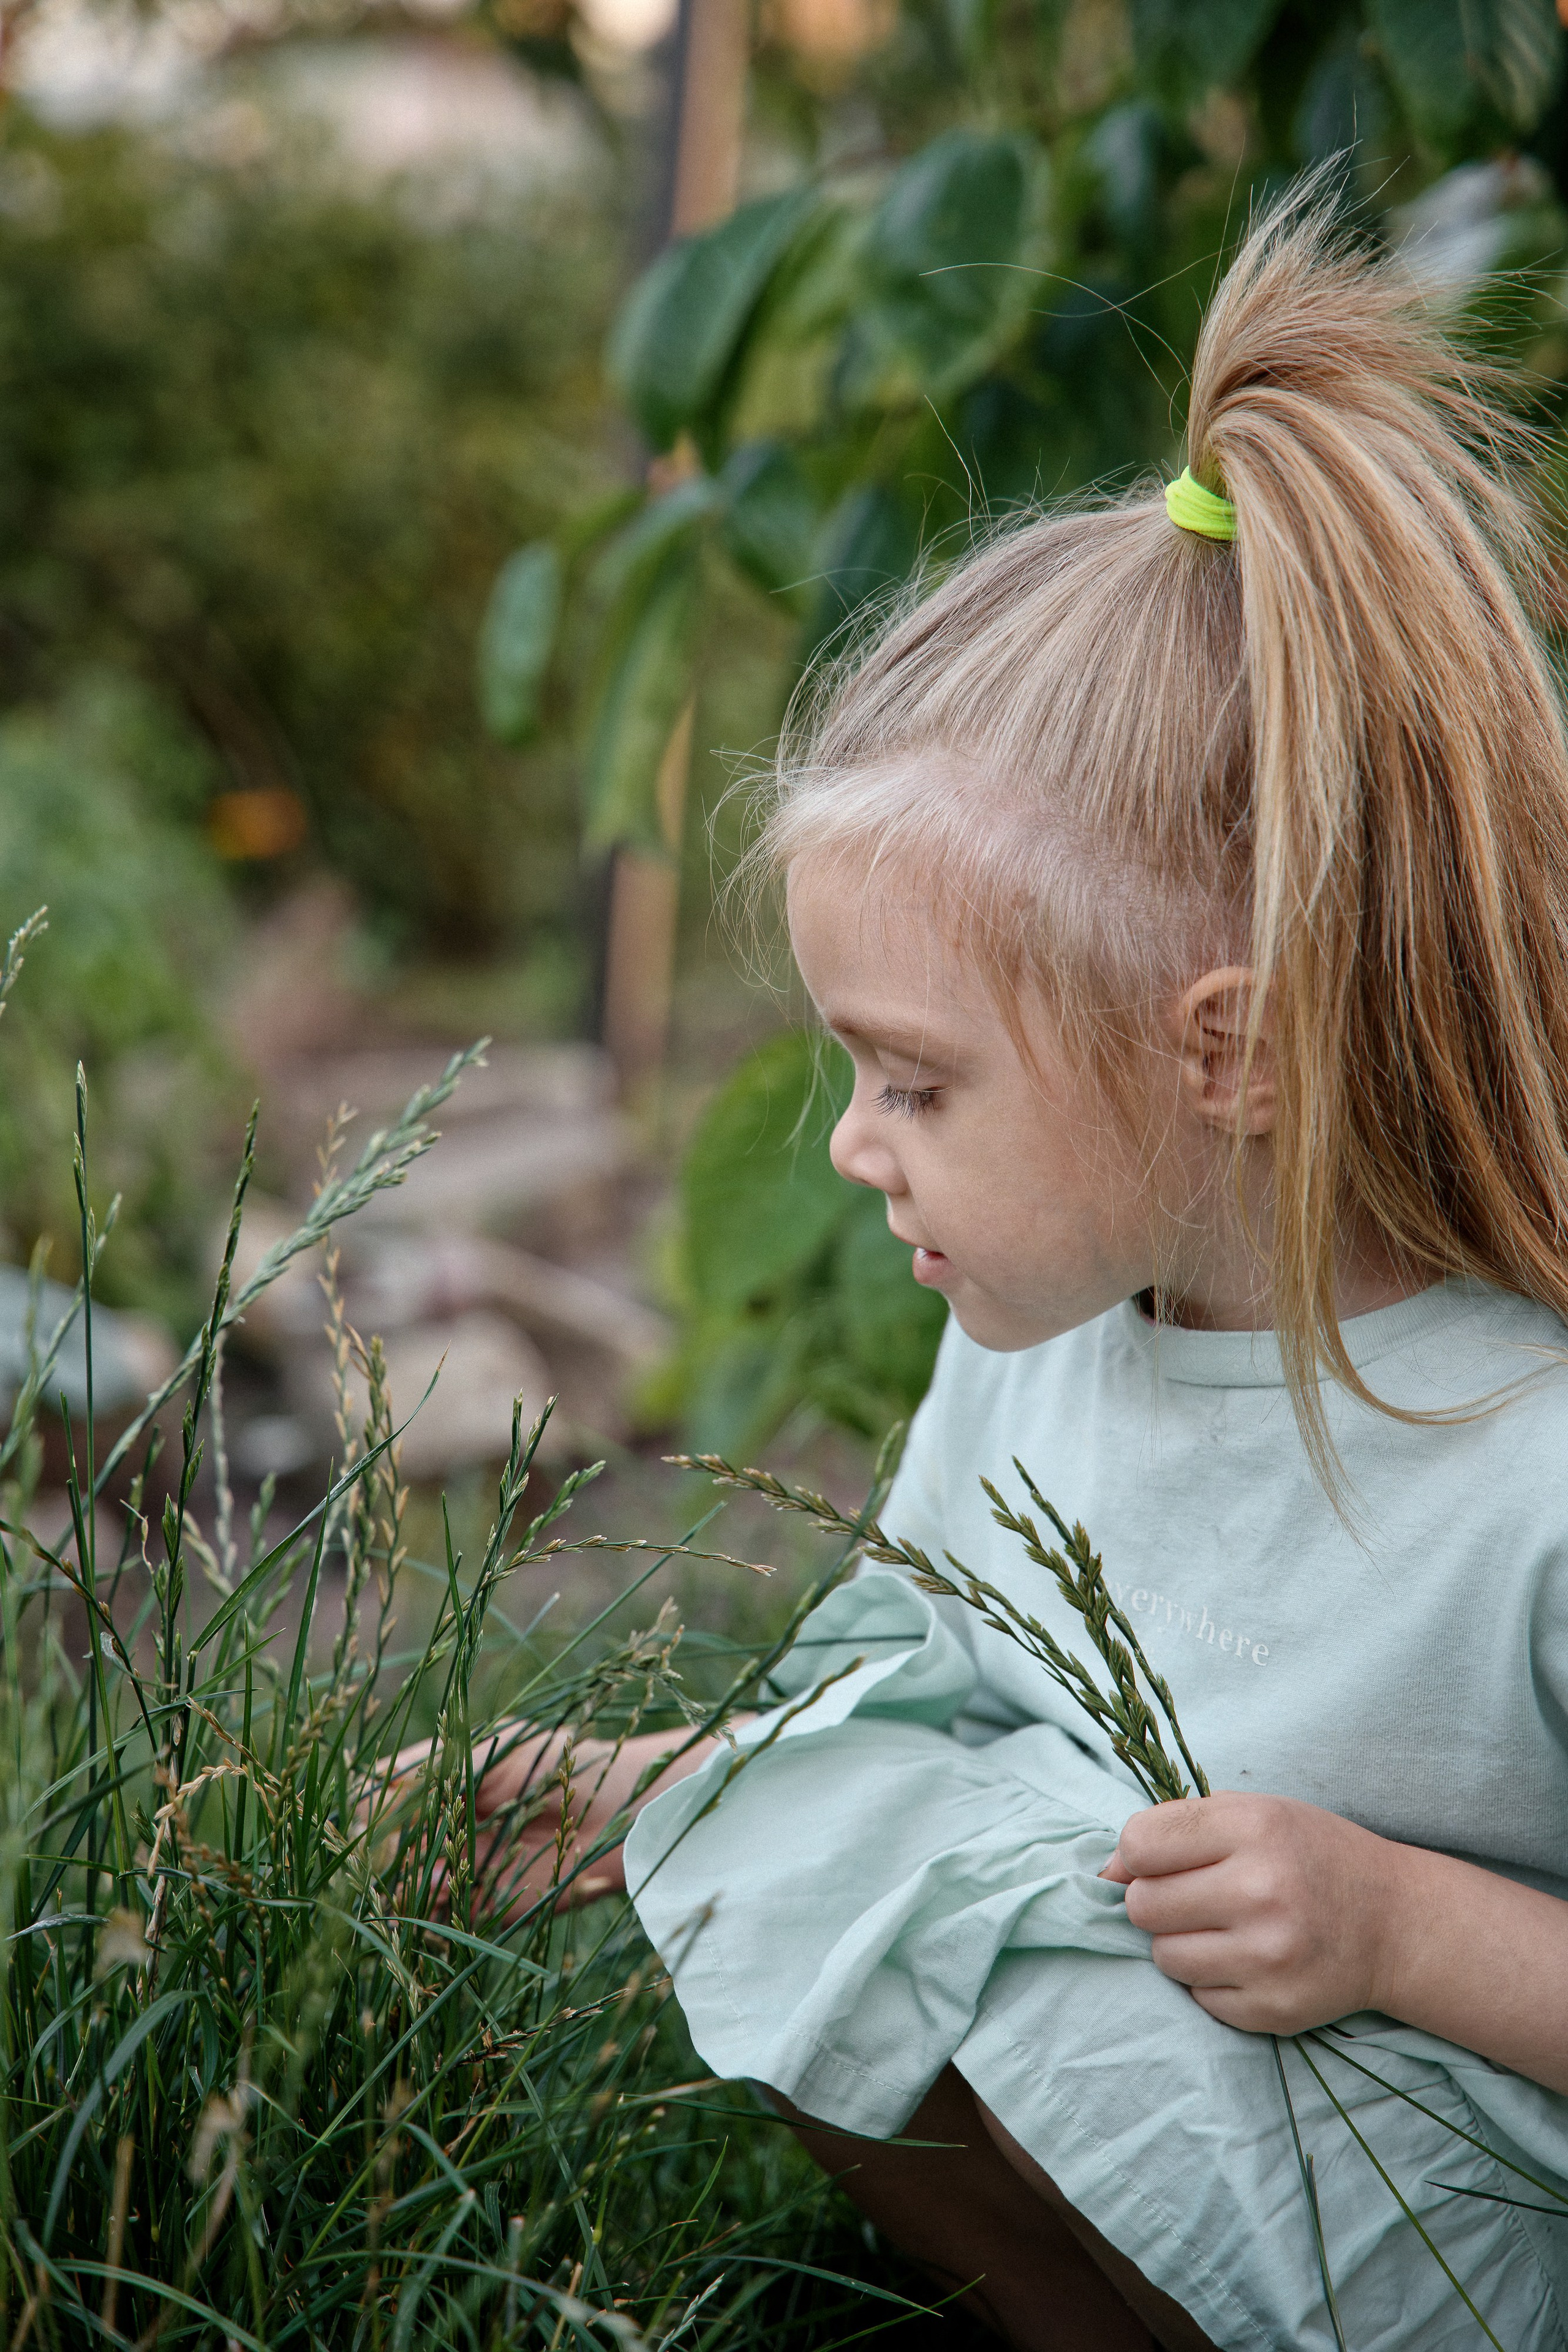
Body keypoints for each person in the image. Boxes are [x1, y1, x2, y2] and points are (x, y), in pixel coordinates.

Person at [459, 190, 1568, 2348]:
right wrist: (616, 1796)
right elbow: (928, 1726)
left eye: (917, 1080)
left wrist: (1403, 1930)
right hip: (1226, 2135)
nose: (854, 1145)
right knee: (836, 1852)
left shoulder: (1521, 1466)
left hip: (1480, 2225)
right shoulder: (1042, 1348)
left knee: (896, 1877)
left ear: (1228, 1054)